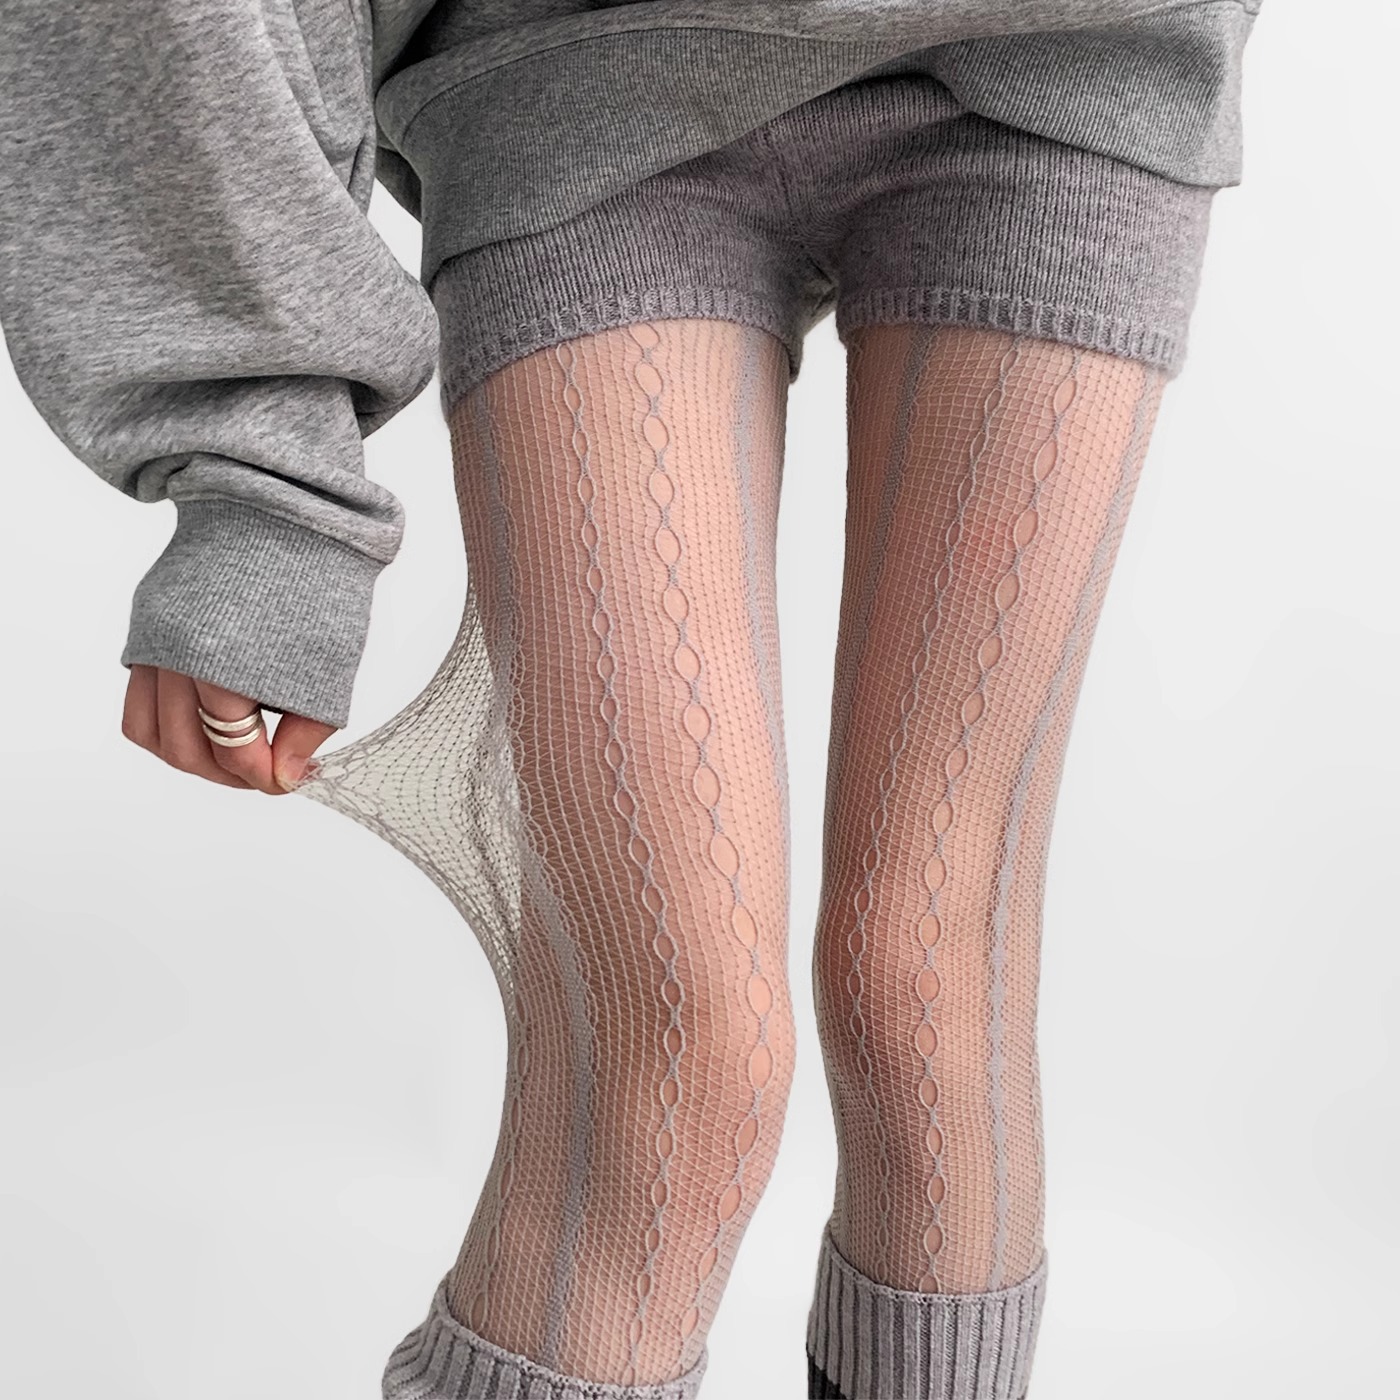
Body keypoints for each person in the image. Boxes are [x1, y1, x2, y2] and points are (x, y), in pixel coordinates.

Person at [0, 3, 1261, 1397]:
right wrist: (253, 466)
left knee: (928, 980)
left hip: (1074, 57)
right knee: (673, 1035)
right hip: (569, 75)